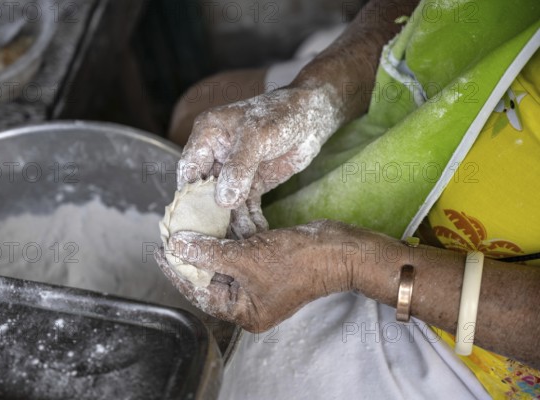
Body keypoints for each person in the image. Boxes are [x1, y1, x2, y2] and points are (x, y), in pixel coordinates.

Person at [157, 0, 540, 398]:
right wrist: (319, 94)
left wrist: (349, 263)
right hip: (444, 80)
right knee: (194, 110)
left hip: (470, 343)